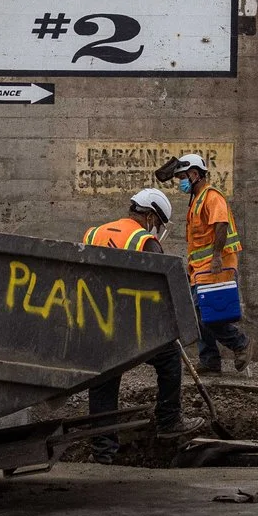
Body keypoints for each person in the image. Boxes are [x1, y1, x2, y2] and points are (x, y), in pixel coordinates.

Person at [81, 187, 185, 463]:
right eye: (159, 223)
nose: (158, 228)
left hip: (96, 323)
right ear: (150, 216)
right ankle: (168, 422)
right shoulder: (145, 241)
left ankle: (103, 452)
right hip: (131, 327)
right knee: (170, 358)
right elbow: (161, 290)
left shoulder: (94, 233)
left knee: (103, 381)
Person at [164, 154, 249, 376]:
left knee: (206, 315)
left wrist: (217, 257)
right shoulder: (197, 199)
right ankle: (210, 360)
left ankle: (240, 344)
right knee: (199, 315)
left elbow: (220, 224)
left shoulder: (211, 197)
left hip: (215, 266)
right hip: (201, 268)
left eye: (182, 176)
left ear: (194, 174)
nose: (181, 182)